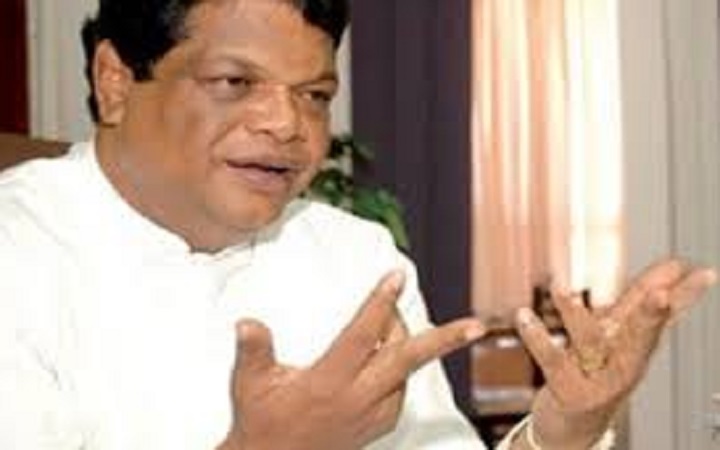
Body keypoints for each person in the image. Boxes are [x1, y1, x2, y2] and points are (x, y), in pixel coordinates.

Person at [0, 0, 715, 449]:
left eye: (314, 95)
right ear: (115, 81)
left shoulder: (354, 256)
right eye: (234, 83)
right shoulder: (18, 248)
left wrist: (561, 433)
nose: (286, 124)